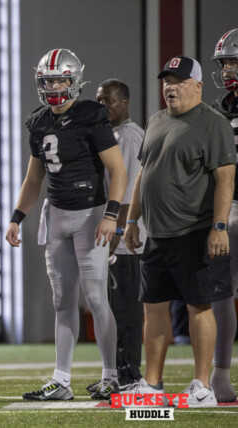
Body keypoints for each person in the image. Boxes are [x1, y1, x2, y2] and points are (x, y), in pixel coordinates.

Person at [5, 49, 127, 401]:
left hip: (91, 214)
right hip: (57, 214)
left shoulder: (91, 115)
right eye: (48, 80)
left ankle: (110, 376)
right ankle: (61, 380)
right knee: (61, 301)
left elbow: (117, 171)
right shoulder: (39, 121)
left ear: (75, 81)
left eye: (60, 79)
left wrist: (111, 214)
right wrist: (17, 217)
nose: (54, 86)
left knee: (96, 298)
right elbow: (33, 179)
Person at [122, 56, 236, 408]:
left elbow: (225, 178)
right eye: (167, 80)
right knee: (153, 309)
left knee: (199, 308)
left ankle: (202, 386)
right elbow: (144, 174)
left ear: (198, 86)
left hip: (195, 230)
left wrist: (219, 227)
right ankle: (152, 385)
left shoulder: (212, 124)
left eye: (179, 81)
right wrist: (131, 221)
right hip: (157, 233)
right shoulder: (156, 121)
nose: (170, 86)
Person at [86, 79, 145, 393]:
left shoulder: (130, 137)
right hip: (113, 234)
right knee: (113, 307)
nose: (103, 105)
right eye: (99, 99)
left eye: (108, 100)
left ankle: (130, 375)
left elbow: (130, 189)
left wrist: (118, 231)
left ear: (125, 102)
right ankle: (116, 374)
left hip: (126, 239)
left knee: (126, 309)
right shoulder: (110, 135)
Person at [209, 28, 238, 403]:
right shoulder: (217, 108)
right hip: (224, 206)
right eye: (225, 62)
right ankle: (219, 376)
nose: (229, 68)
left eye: (234, 61)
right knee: (220, 294)